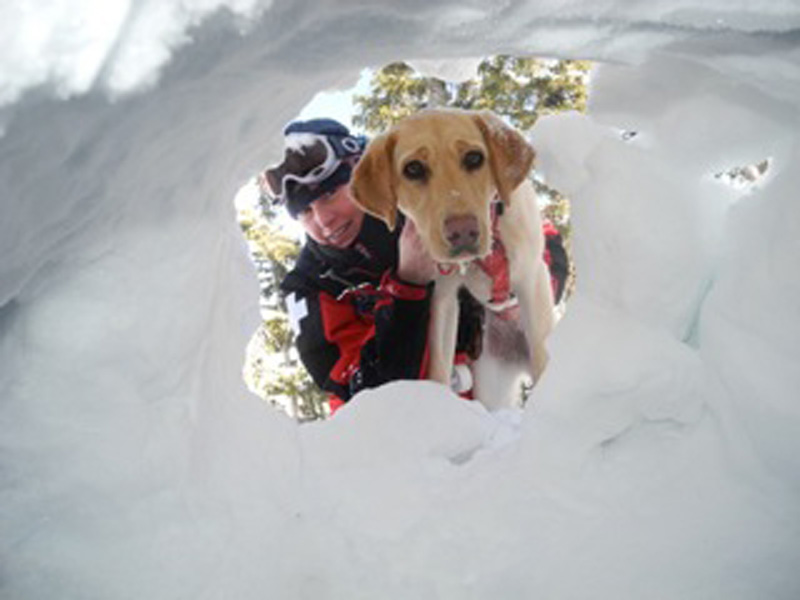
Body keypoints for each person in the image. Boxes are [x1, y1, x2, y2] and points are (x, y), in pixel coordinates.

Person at [259, 117, 568, 413]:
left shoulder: (428, 204)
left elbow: (544, 242)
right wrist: (407, 286)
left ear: (360, 176)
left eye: (329, 194)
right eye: (304, 212)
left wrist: (508, 292)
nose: (323, 220)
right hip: (400, 443)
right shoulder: (309, 286)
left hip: (486, 399)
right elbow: (363, 393)